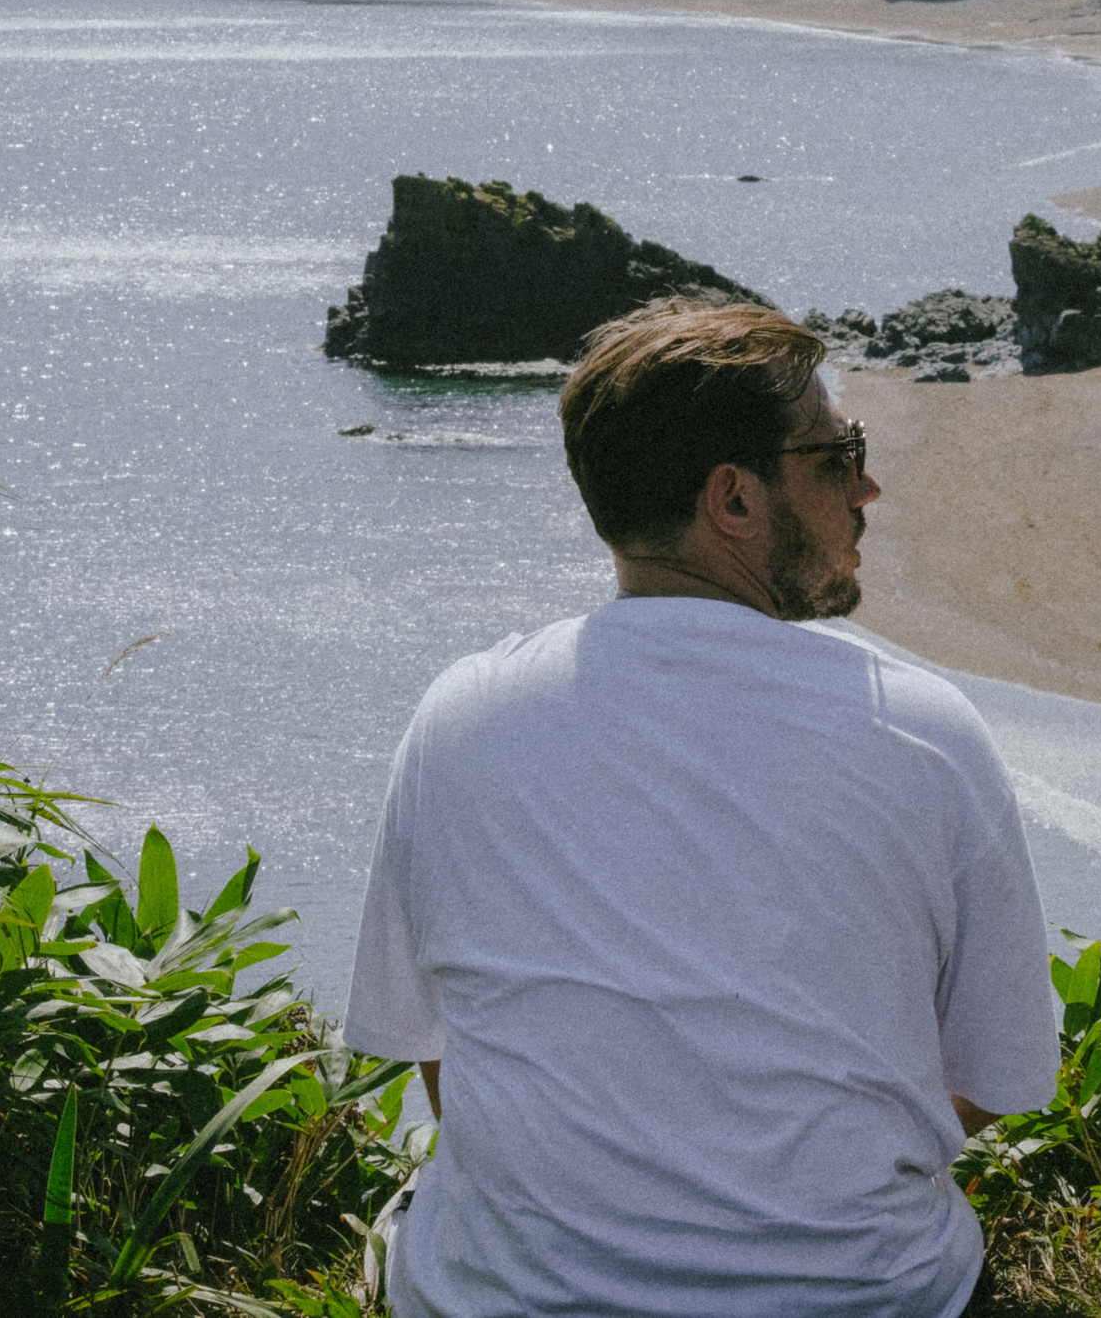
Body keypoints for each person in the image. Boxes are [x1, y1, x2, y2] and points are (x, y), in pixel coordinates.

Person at [345, 299, 1059, 1318]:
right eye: (834, 455)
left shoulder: (462, 713)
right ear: (733, 498)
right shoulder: (918, 730)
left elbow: (435, 1050)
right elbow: (996, 1076)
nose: (866, 484)